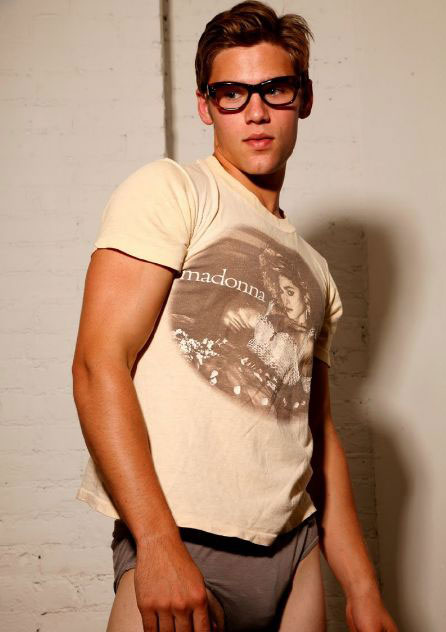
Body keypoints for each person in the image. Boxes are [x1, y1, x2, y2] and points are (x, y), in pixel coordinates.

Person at [72, 2, 399, 631]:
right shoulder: (174, 190)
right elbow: (97, 364)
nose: (255, 111)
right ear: (206, 106)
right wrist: (155, 543)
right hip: (183, 537)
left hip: (296, 549)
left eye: (275, 88)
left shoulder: (317, 271)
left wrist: (363, 588)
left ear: (304, 98)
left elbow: (318, 431)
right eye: (232, 93)